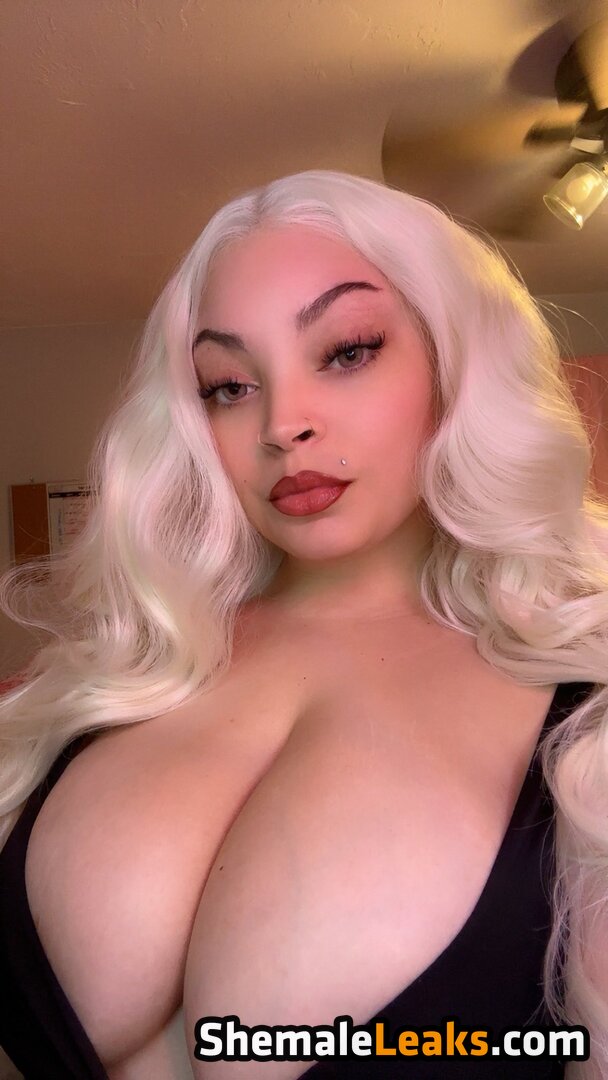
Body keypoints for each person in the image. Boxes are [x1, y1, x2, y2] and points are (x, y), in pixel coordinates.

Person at [0, 169, 607, 1080]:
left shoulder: (585, 712)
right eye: (228, 386)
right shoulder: (122, 674)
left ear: (453, 364)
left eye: (348, 350)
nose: (284, 425)